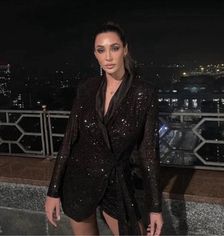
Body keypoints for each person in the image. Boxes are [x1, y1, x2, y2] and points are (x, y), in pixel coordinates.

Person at [45, 22, 163, 236]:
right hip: (78, 181)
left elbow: (148, 153)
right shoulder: (87, 88)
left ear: (125, 49)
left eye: (114, 48)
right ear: (95, 54)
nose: (108, 57)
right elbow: (69, 140)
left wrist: (155, 207)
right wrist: (53, 192)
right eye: (101, 50)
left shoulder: (144, 93)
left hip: (116, 184)